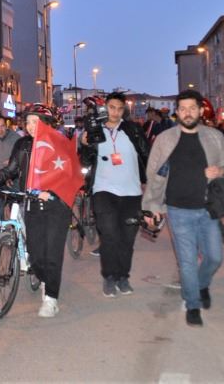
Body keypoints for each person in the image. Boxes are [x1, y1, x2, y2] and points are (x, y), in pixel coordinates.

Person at [142, 90, 224, 327]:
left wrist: (220, 171)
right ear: (177, 112)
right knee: (187, 261)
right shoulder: (165, 139)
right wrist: (152, 207)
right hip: (178, 209)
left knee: (214, 257)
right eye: (183, 109)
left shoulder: (214, 137)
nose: (188, 113)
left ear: (201, 110)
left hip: (209, 208)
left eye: (192, 108)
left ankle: (202, 285)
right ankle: (193, 304)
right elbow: (154, 175)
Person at [0, 105, 73, 318]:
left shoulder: (59, 144)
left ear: (47, 124)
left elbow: (68, 174)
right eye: (27, 122)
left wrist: (52, 192)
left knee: (52, 254)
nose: (30, 126)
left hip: (57, 207)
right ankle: (44, 279)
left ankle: (51, 298)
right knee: (35, 255)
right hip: (32, 204)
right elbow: (10, 170)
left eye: (35, 122)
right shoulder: (23, 144)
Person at [81, 91, 150, 297]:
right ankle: (109, 277)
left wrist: (152, 184)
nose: (115, 112)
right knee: (109, 234)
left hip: (132, 192)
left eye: (120, 108)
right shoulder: (94, 130)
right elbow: (85, 161)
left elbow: (147, 155)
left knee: (127, 238)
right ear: (105, 108)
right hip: (103, 190)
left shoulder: (132, 129)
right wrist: (85, 145)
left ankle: (123, 277)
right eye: (112, 107)